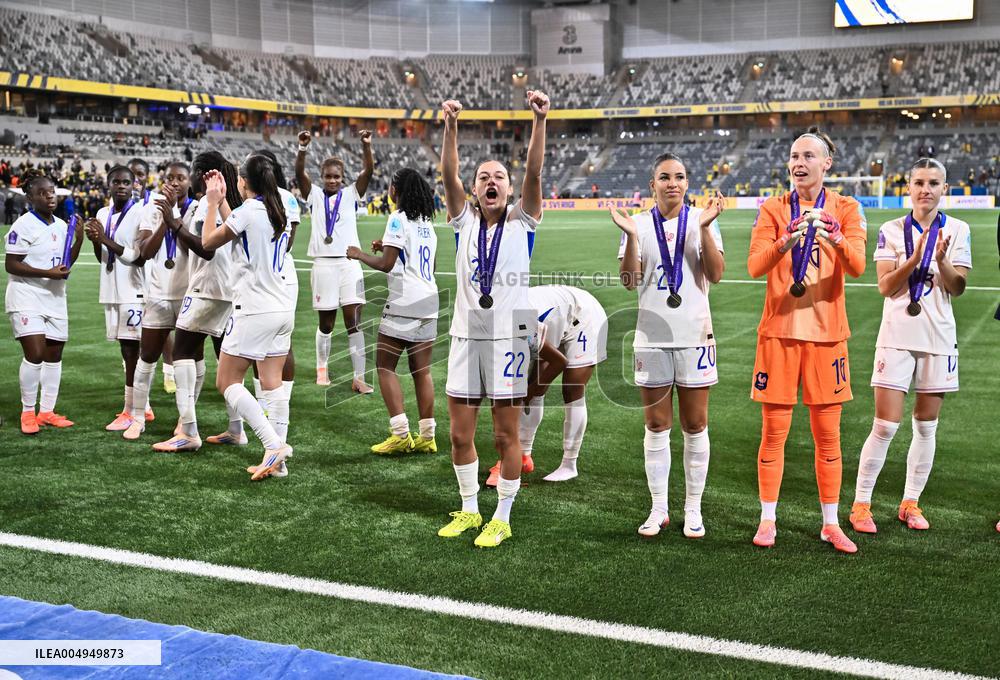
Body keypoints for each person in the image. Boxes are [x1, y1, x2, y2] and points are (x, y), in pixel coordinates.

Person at [436, 90, 549, 549]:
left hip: (507, 341)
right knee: (459, 433)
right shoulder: (462, 220)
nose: (491, 182)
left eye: (499, 176)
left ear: (508, 187)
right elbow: (448, 173)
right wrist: (450, 128)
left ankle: (501, 514)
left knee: (506, 433)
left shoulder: (523, 220)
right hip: (466, 337)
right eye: (483, 177)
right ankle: (468, 508)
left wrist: (539, 121)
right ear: (474, 188)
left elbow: (535, 172)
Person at [747, 127, 867, 554]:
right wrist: (786, 240)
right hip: (778, 333)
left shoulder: (848, 208)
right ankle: (767, 519)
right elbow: (755, 266)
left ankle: (831, 523)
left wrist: (834, 235)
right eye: (794, 156)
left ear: (826, 163)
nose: (798, 163)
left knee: (828, 436)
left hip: (827, 336)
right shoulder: (772, 208)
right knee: (773, 433)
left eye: (807, 156)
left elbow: (857, 266)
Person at [851, 158, 971, 533]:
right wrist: (916, 258)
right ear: (909, 188)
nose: (926, 189)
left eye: (934, 183)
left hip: (938, 336)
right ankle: (861, 505)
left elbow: (958, 286)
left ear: (944, 189)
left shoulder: (959, 229)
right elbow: (885, 287)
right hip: (896, 336)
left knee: (926, 426)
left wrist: (940, 261)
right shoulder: (891, 229)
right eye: (919, 182)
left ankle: (910, 502)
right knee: (885, 425)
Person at [610, 155, 725, 539]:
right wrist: (628, 237)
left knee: (695, 425)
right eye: (664, 177)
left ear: (688, 183)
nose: (672, 183)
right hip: (652, 337)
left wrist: (706, 228)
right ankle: (658, 507)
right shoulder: (638, 224)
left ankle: (693, 509)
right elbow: (629, 279)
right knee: (657, 425)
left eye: (679, 177)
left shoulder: (701, 220)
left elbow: (716, 274)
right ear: (652, 183)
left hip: (695, 336)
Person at [200, 157, 294, 481]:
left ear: (243, 181)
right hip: (282, 308)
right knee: (272, 384)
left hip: (255, 308)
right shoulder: (275, 207)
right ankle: (278, 464)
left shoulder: (250, 211)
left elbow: (208, 242)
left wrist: (212, 204)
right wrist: (225, 201)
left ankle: (273, 446)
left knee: (226, 381)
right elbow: (241, 233)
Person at [154, 152, 242, 452]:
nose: (189, 178)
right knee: (224, 358)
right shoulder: (225, 202)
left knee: (182, 352)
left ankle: (188, 431)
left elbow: (206, 249)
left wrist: (173, 223)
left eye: (192, 172)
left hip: (208, 287)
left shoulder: (208, 203)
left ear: (203, 174)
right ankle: (235, 428)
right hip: (228, 289)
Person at [347, 168, 439, 455]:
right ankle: (427, 436)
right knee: (421, 372)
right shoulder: (427, 223)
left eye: (390, 184)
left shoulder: (397, 218)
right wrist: (386, 249)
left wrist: (360, 254)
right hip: (429, 299)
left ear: (396, 190)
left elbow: (386, 265)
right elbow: (425, 265)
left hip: (405, 301)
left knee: (385, 366)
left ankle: (400, 434)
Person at [486, 284, 608, 485]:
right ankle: (523, 456)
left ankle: (569, 464)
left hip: (583, 314)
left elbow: (559, 362)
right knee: (530, 383)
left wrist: (529, 392)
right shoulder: (493, 327)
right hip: (550, 320)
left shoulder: (518, 323)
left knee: (572, 389)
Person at [295, 129, 375, 393]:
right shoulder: (315, 195)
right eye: (328, 176)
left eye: (336, 177)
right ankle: (322, 369)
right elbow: (299, 176)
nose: (332, 181)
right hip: (323, 265)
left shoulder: (351, 193)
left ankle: (359, 377)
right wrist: (303, 149)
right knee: (326, 324)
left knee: (355, 322)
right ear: (322, 177)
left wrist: (366, 146)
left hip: (349, 264)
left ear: (343, 179)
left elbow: (368, 172)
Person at [5, 170, 84, 434]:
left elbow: (65, 265)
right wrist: (46, 273)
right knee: (35, 354)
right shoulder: (23, 225)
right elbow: (12, 265)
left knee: (54, 355)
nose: (49, 196)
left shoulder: (62, 226)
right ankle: (28, 413)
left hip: (55, 296)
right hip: (27, 295)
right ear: (30, 198)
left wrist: (79, 239)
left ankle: (47, 411)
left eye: (52, 192)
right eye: (42, 193)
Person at [123, 162, 193, 442]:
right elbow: (145, 253)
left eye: (181, 178)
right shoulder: (152, 209)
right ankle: (138, 417)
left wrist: (175, 215)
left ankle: (185, 421)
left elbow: (198, 247)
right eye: (170, 178)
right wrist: (165, 218)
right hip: (159, 292)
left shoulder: (199, 208)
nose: (175, 182)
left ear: (190, 182)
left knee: (190, 361)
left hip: (190, 294)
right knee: (147, 356)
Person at [84, 166, 152, 431]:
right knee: (126, 351)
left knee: (132, 351)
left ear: (134, 185)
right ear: (108, 184)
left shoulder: (141, 212)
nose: (121, 186)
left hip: (133, 290)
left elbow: (137, 255)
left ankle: (132, 410)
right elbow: (103, 253)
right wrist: (94, 240)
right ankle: (139, 407)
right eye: (116, 182)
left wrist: (104, 238)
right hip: (111, 288)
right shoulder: (103, 213)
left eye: (126, 182)